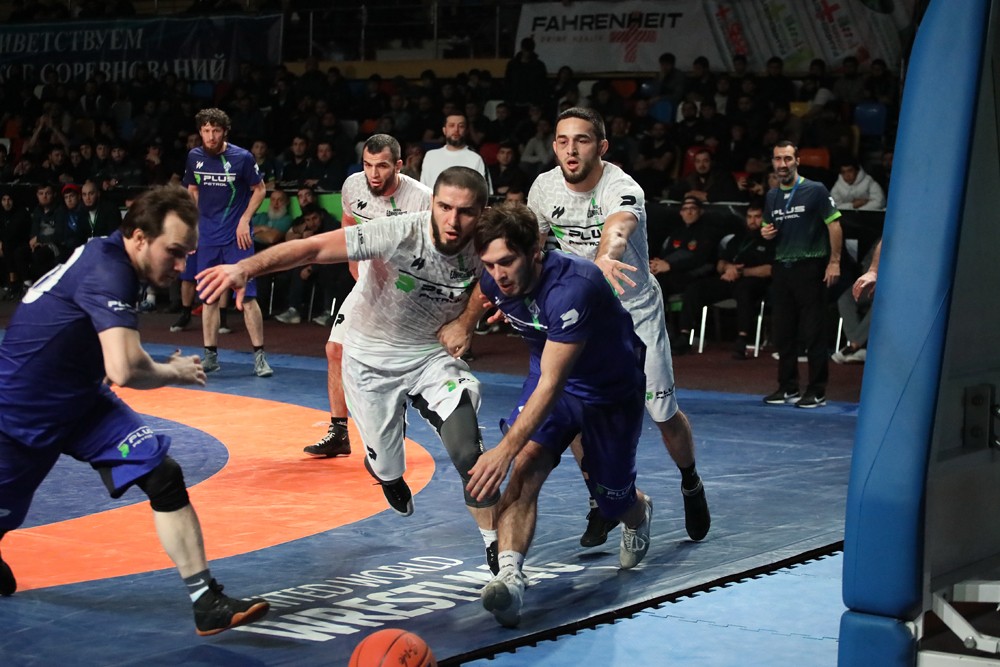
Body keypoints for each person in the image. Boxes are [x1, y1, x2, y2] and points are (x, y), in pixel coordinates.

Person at [196, 166, 500, 571]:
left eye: (465, 212)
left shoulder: (488, 242)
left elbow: (501, 275)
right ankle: (387, 474)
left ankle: (500, 553)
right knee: (386, 466)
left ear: (482, 213)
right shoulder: (399, 232)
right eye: (444, 208)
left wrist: (467, 321)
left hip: (431, 356)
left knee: (469, 455)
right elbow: (312, 249)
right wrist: (245, 268)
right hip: (370, 358)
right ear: (432, 203)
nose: (453, 221)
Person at [0, 186, 269, 635]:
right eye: (174, 252)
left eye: (187, 254)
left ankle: (206, 602)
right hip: (21, 411)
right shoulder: (109, 270)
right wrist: (173, 371)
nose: (181, 266)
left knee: (163, 474)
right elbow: (124, 368)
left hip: (82, 401)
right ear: (140, 238)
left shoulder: (115, 256)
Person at [527, 107, 710, 547]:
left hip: (635, 312)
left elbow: (619, 228)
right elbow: (533, 246)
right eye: (563, 141)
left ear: (602, 147)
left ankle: (690, 481)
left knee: (662, 413)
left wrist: (604, 258)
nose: (571, 150)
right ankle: (602, 500)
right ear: (554, 146)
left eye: (582, 140)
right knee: (576, 415)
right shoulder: (543, 187)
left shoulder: (622, 187)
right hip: (582, 316)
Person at [468, 202, 653, 628]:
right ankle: (509, 580)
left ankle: (638, 510)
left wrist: (502, 450)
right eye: (490, 264)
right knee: (526, 466)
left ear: (535, 251)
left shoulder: (574, 286)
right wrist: (464, 323)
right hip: (551, 377)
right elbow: (482, 292)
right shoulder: (494, 278)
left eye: (507, 262)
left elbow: (552, 384)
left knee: (612, 499)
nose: (498, 274)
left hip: (609, 392)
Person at [304, 134, 432, 458]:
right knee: (335, 349)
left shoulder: (421, 198)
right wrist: (354, 264)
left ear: (399, 166)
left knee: (389, 363)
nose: (373, 174)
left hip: (408, 288)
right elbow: (349, 223)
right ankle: (338, 432)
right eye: (368, 165)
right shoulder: (353, 186)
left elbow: (437, 249)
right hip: (369, 282)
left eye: (382, 166)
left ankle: (396, 430)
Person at [182, 107, 272, 377]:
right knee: (209, 297)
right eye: (206, 131)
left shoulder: (241, 157)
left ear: (225, 132)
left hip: (237, 238)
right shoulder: (194, 157)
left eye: (216, 131)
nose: (210, 136)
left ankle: (260, 357)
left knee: (248, 297)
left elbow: (260, 189)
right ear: (200, 132)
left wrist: (245, 219)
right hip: (207, 238)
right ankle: (210, 356)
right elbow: (192, 190)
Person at [761, 141, 843, 409]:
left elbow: (834, 225)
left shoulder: (815, 190)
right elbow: (767, 227)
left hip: (810, 267)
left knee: (813, 332)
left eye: (787, 159)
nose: (782, 164)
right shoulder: (772, 195)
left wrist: (834, 262)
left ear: (797, 161)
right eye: (777, 159)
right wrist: (765, 232)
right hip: (782, 269)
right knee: (783, 333)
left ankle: (817, 391)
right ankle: (788, 386)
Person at [673, 199, 774, 359]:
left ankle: (742, 340)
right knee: (695, 288)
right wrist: (728, 268)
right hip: (729, 278)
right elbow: (720, 264)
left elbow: (770, 269)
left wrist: (741, 272)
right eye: (749, 217)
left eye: (757, 217)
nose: (752, 221)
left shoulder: (770, 240)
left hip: (753, 281)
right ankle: (684, 337)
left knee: (744, 291)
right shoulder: (738, 238)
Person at [420, 113, 491, 193]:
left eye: (461, 126)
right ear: (444, 130)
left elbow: (484, 193)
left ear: (467, 131)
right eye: (451, 125)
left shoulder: (476, 158)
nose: (456, 130)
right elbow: (423, 189)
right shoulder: (431, 156)